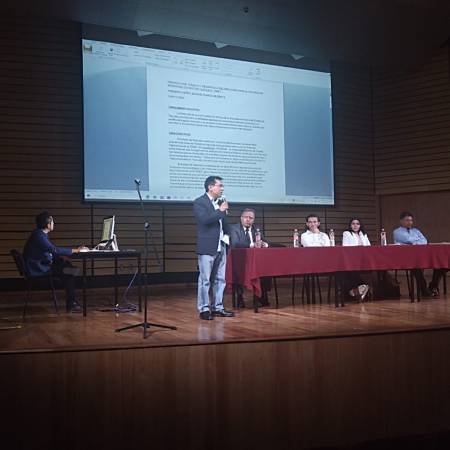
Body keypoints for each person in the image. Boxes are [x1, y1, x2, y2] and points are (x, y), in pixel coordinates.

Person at [23, 211, 88, 312]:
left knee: (67, 266)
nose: (54, 223)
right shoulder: (39, 236)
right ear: (48, 224)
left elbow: (48, 252)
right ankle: (71, 305)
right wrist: (76, 250)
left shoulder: (39, 234)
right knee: (69, 271)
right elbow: (54, 250)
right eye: (52, 222)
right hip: (39, 269)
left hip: (40, 266)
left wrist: (61, 257)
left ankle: (71, 298)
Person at [193, 176, 234, 320]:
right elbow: (205, 220)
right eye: (220, 185)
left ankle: (218, 307)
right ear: (210, 187)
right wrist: (220, 211)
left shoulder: (220, 202)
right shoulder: (200, 202)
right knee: (205, 280)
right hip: (207, 246)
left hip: (221, 245)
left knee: (220, 279)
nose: (222, 188)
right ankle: (204, 309)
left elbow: (223, 225)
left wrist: (228, 236)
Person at [393, 211, 447, 297]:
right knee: (416, 267)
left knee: (441, 265)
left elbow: (424, 241)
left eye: (411, 220)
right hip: (407, 258)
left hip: (422, 255)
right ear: (401, 221)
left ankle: (432, 286)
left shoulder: (416, 231)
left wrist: (415, 242)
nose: (410, 222)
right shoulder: (397, 232)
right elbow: (408, 239)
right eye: (407, 220)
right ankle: (424, 290)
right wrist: (416, 241)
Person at [229, 208, 270, 308]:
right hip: (240, 260)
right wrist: (252, 245)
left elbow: (266, 241)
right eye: (246, 217)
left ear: (254, 220)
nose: (248, 220)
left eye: (251, 218)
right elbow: (235, 243)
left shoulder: (256, 229)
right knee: (239, 270)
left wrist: (265, 244)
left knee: (266, 268)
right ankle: (239, 297)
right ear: (241, 218)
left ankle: (262, 296)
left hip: (255, 260)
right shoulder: (234, 228)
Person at [341, 217, 371, 300]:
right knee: (351, 270)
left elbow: (369, 247)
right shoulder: (347, 233)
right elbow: (345, 247)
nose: (355, 226)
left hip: (364, 259)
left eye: (357, 224)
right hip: (351, 259)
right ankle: (362, 287)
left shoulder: (363, 234)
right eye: (353, 224)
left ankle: (356, 291)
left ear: (360, 225)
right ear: (350, 225)